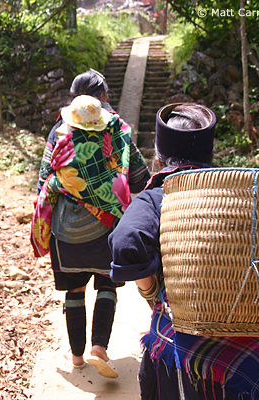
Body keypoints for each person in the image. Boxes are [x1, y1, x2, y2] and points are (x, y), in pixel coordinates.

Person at [108, 103, 259, 399]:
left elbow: (126, 241)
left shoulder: (161, 194)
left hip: (187, 356)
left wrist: (150, 292)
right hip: (255, 348)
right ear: (210, 155)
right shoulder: (237, 192)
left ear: (159, 158)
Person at [31, 69, 150, 378]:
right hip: (107, 226)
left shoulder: (60, 129)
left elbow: (44, 178)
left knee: (74, 290)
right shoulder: (118, 129)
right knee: (107, 284)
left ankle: (76, 357)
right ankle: (100, 347)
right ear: (105, 96)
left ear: (74, 97)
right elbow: (140, 177)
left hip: (65, 231)